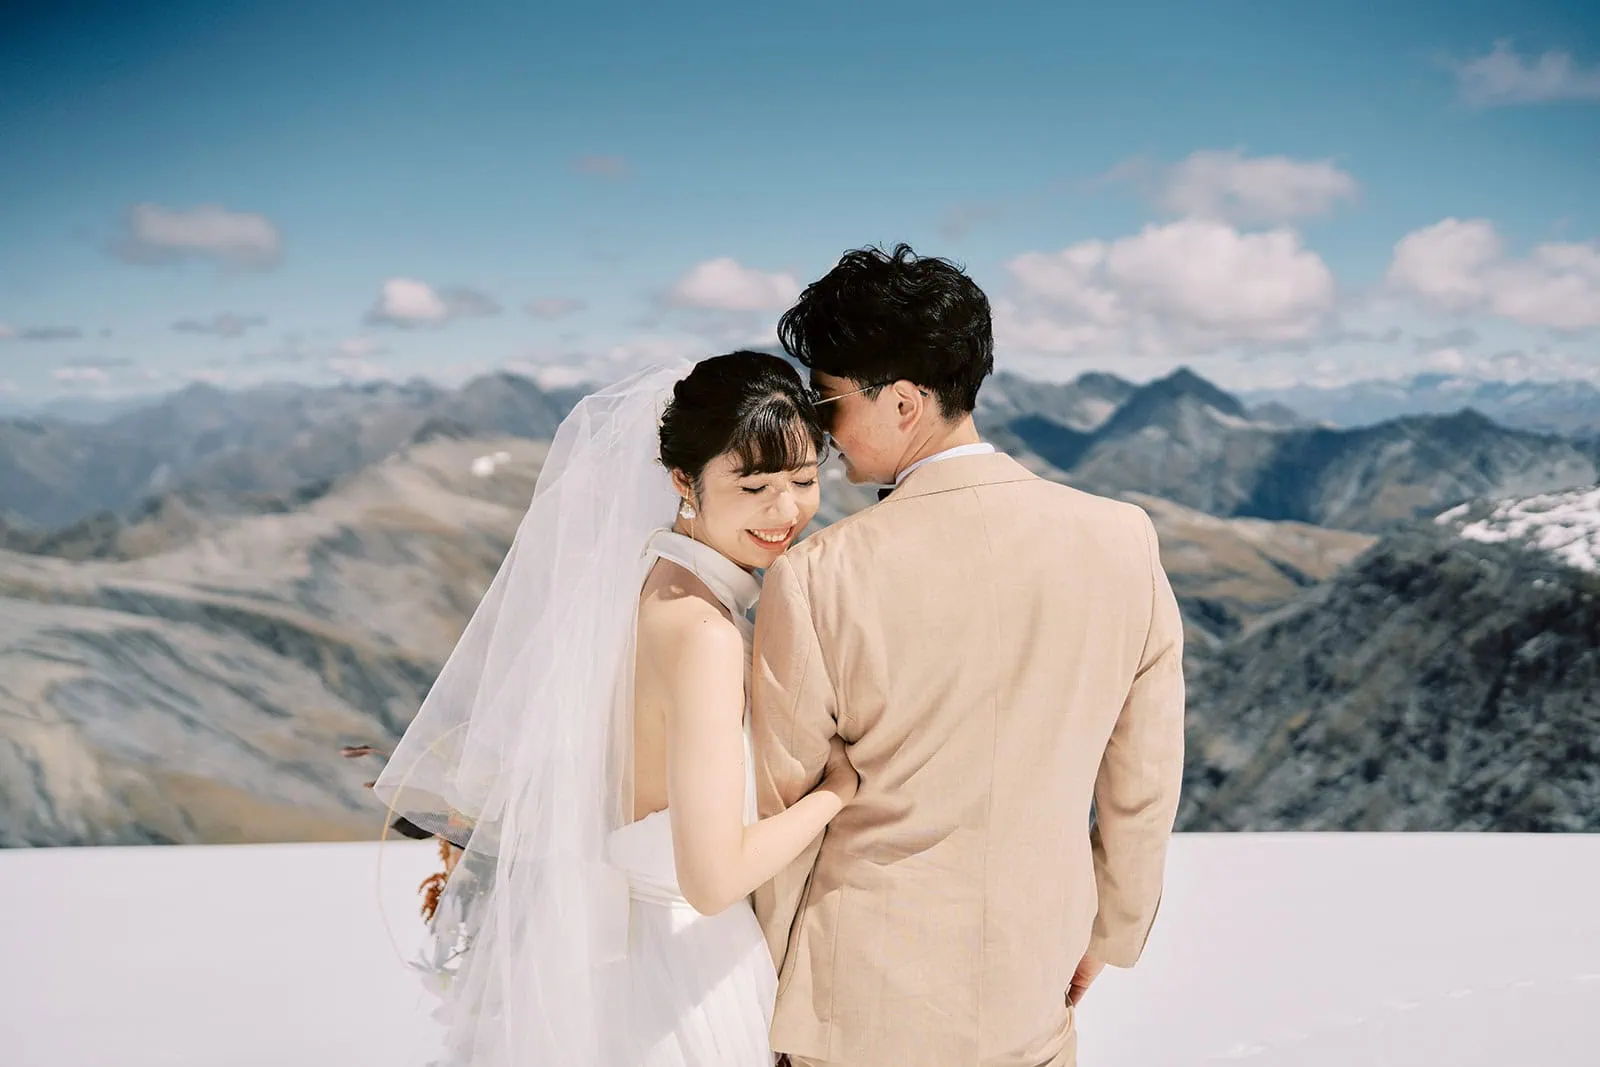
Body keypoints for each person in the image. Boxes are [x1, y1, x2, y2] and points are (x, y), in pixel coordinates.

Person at [752, 244, 1186, 1067]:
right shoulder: (1124, 539)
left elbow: (783, 811)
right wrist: (1113, 932)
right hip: (1034, 991)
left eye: (828, 399)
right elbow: (1143, 780)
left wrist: (762, 991)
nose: (817, 427)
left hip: (854, 1012)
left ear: (905, 402)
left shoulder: (817, 572)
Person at [374, 351, 856, 1066]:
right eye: (754, 484)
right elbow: (713, 877)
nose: (786, 510)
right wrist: (836, 793)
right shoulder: (702, 632)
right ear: (683, 482)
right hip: (685, 977)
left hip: (631, 965)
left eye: (804, 479)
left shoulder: (651, 582)